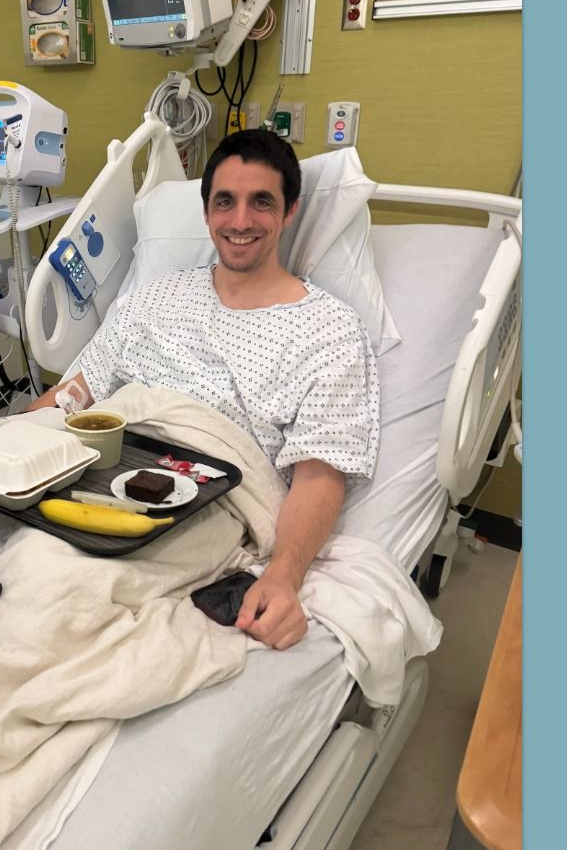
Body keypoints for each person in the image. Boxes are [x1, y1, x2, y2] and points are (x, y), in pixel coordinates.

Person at [29, 129, 380, 651]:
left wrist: (283, 575)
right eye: (225, 202)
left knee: (46, 589)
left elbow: (319, 473)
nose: (240, 221)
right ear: (206, 211)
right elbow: (76, 392)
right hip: (99, 473)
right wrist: (6, 443)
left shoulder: (328, 330)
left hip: (212, 503)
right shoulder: (155, 298)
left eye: (261, 202)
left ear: (289, 212)